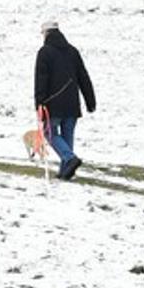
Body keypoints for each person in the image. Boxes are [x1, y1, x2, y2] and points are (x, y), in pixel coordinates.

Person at [33, 19, 95, 180]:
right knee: (67, 137)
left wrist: (39, 103)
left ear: (46, 33)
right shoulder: (72, 51)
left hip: (53, 104)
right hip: (72, 104)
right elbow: (83, 77)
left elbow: (41, 80)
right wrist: (90, 101)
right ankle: (65, 171)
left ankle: (69, 159)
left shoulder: (44, 52)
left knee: (49, 133)